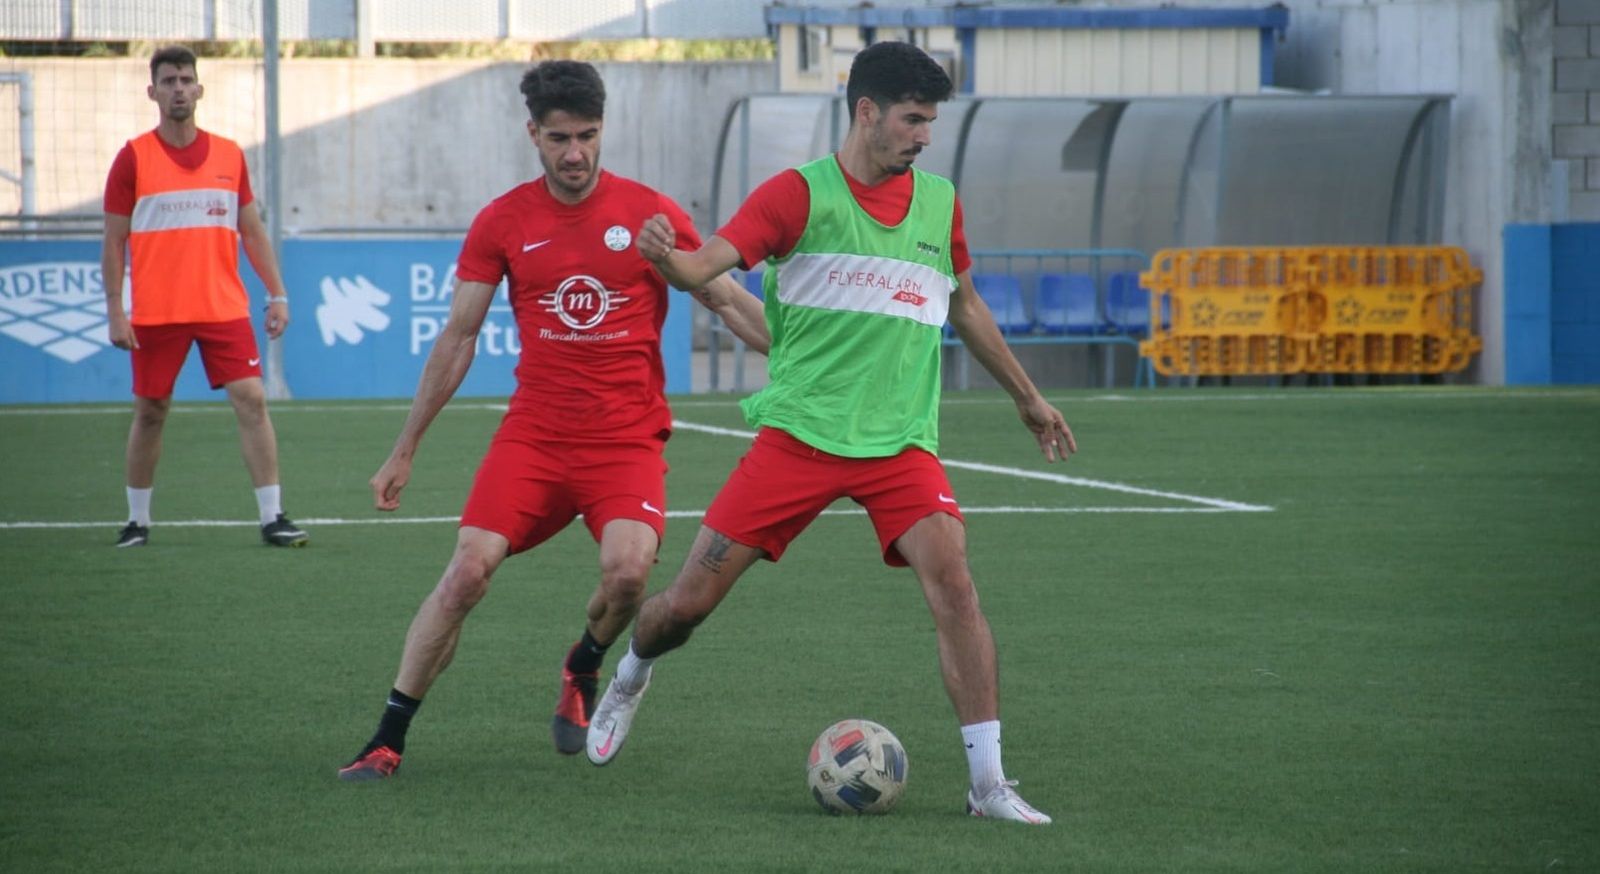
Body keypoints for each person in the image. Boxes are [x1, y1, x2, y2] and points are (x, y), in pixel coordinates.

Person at [584, 42, 1075, 826]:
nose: (923, 136)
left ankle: (988, 785)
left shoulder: (939, 202)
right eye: (913, 119)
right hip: (799, 439)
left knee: (954, 582)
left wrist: (1028, 398)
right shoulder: (795, 197)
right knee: (685, 605)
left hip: (900, 444)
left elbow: (966, 304)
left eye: (931, 122)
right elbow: (705, 265)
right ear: (867, 112)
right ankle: (631, 676)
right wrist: (668, 263)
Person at [337, 61, 769, 780]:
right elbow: (458, 338)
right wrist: (404, 448)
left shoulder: (648, 214)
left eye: (589, 136)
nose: (576, 154)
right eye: (560, 138)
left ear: (604, 131)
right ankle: (386, 739)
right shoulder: (503, 221)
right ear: (532, 134)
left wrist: (804, 358)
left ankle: (584, 663)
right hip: (533, 439)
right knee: (466, 575)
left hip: (625, 441)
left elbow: (723, 300)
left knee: (630, 574)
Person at [102, 46, 308, 549]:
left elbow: (253, 231)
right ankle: (137, 521)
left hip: (223, 307)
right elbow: (112, 241)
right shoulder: (133, 158)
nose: (178, 88)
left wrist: (277, 294)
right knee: (151, 411)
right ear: (152, 92)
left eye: (186, 80)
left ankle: (272, 515)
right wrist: (115, 310)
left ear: (199, 89)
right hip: (157, 311)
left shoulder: (229, 155)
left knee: (253, 400)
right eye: (168, 80)